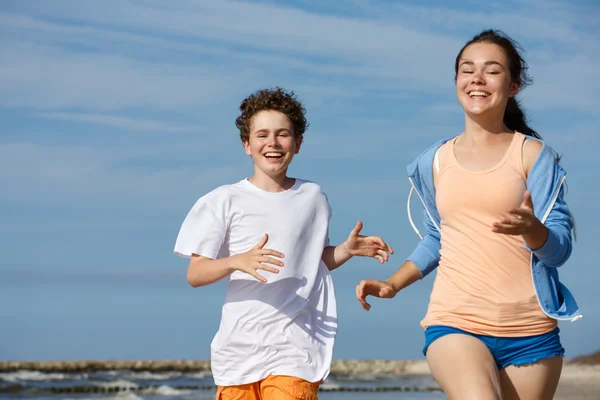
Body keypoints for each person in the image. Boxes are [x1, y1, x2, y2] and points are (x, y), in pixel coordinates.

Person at [356, 30, 581, 400]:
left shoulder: (533, 156)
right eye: (467, 69)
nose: (477, 78)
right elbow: (438, 237)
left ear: (512, 86)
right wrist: (393, 284)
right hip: (455, 320)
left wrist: (533, 230)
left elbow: (559, 251)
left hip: (531, 331)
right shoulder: (435, 161)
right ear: (457, 81)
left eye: (491, 71)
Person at [174, 87, 393, 400]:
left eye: (283, 134)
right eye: (262, 135)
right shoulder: (223, 200)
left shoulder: (312, 197)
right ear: (247, 145)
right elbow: (196, 274)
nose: (272, 143)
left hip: (295, 347)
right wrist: (237, 260)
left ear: (298, 143)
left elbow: (312, 260)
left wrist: (346, 250)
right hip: (238, 351)